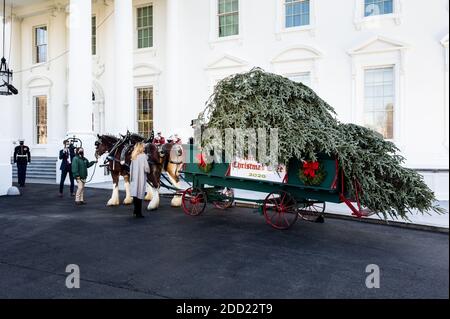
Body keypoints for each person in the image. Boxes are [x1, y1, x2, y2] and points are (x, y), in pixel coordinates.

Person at [130, 142, 150, 218]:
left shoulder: (133, 156)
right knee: (140, 195)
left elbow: (131, 168)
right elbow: (146, 168)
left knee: (135, 194)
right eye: (143, 147)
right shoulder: (143, 156)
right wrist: (149, 170)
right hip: (140, 178)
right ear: (141, 148)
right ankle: (139, 213)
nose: (144, 148)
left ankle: (135, 210)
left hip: (134, 178)